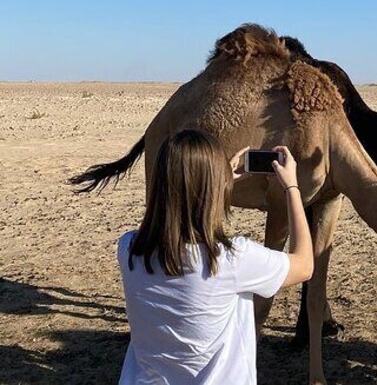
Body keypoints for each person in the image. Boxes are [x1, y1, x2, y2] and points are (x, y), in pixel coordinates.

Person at [117, 130, 313, 384]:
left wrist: (216, 181)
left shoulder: (129, 249)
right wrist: (292, 188)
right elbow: (305, 264)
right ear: (211, 188)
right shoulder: (231, 260)